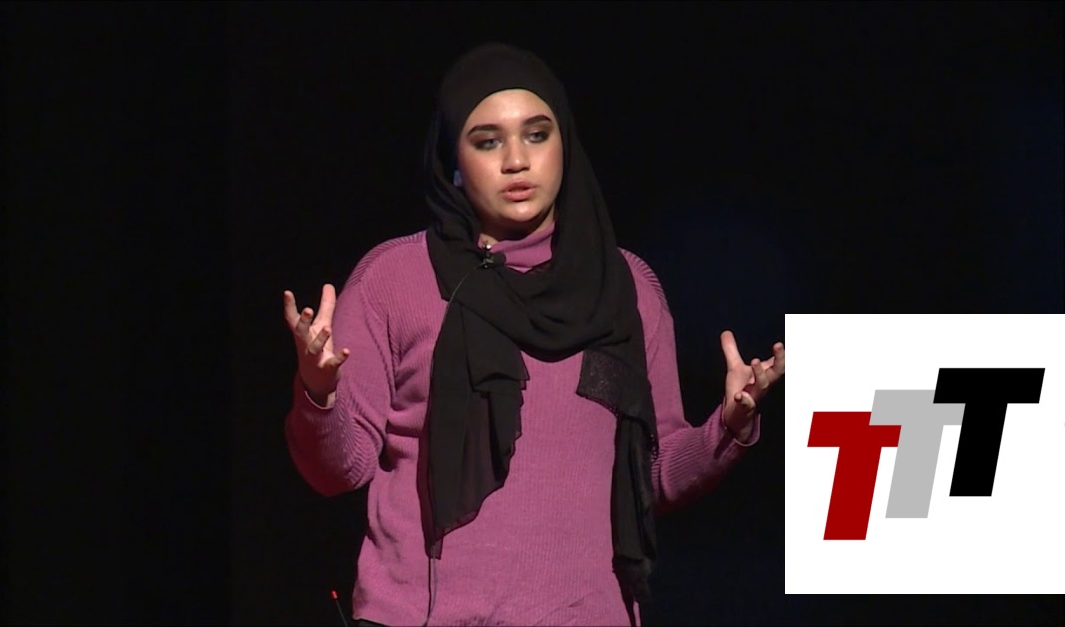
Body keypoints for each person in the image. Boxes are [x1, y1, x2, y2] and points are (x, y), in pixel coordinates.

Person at [282, 42, 785, 627]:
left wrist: (729, 427)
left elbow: (654, 476)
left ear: (565, 144)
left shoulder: (625, 288)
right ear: (453, 159)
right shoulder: (394, 279)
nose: (517, 160)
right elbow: (338, 470)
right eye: (487, 141)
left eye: (537, 135)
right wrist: (318, 393)